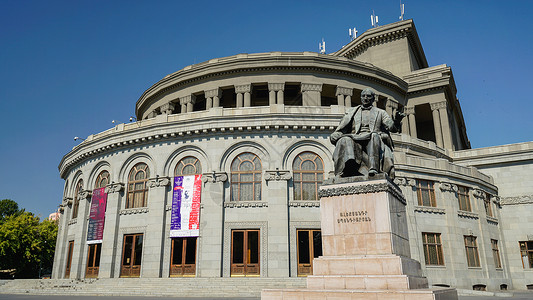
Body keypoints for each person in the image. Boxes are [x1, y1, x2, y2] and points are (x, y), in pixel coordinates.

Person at [330, 88, 403, 178]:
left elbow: (391, 126)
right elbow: (343, 128)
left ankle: (373, 168)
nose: (365, 98)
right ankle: (350, 166)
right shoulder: (352, 112)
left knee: (374, 135)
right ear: (360, 98)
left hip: (371, 136)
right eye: (363, 96)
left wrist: (396, 121)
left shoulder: (380, 112)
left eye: (368, 96)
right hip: (355, 138)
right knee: (345, 139)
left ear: (373, 99)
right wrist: (336, 134)